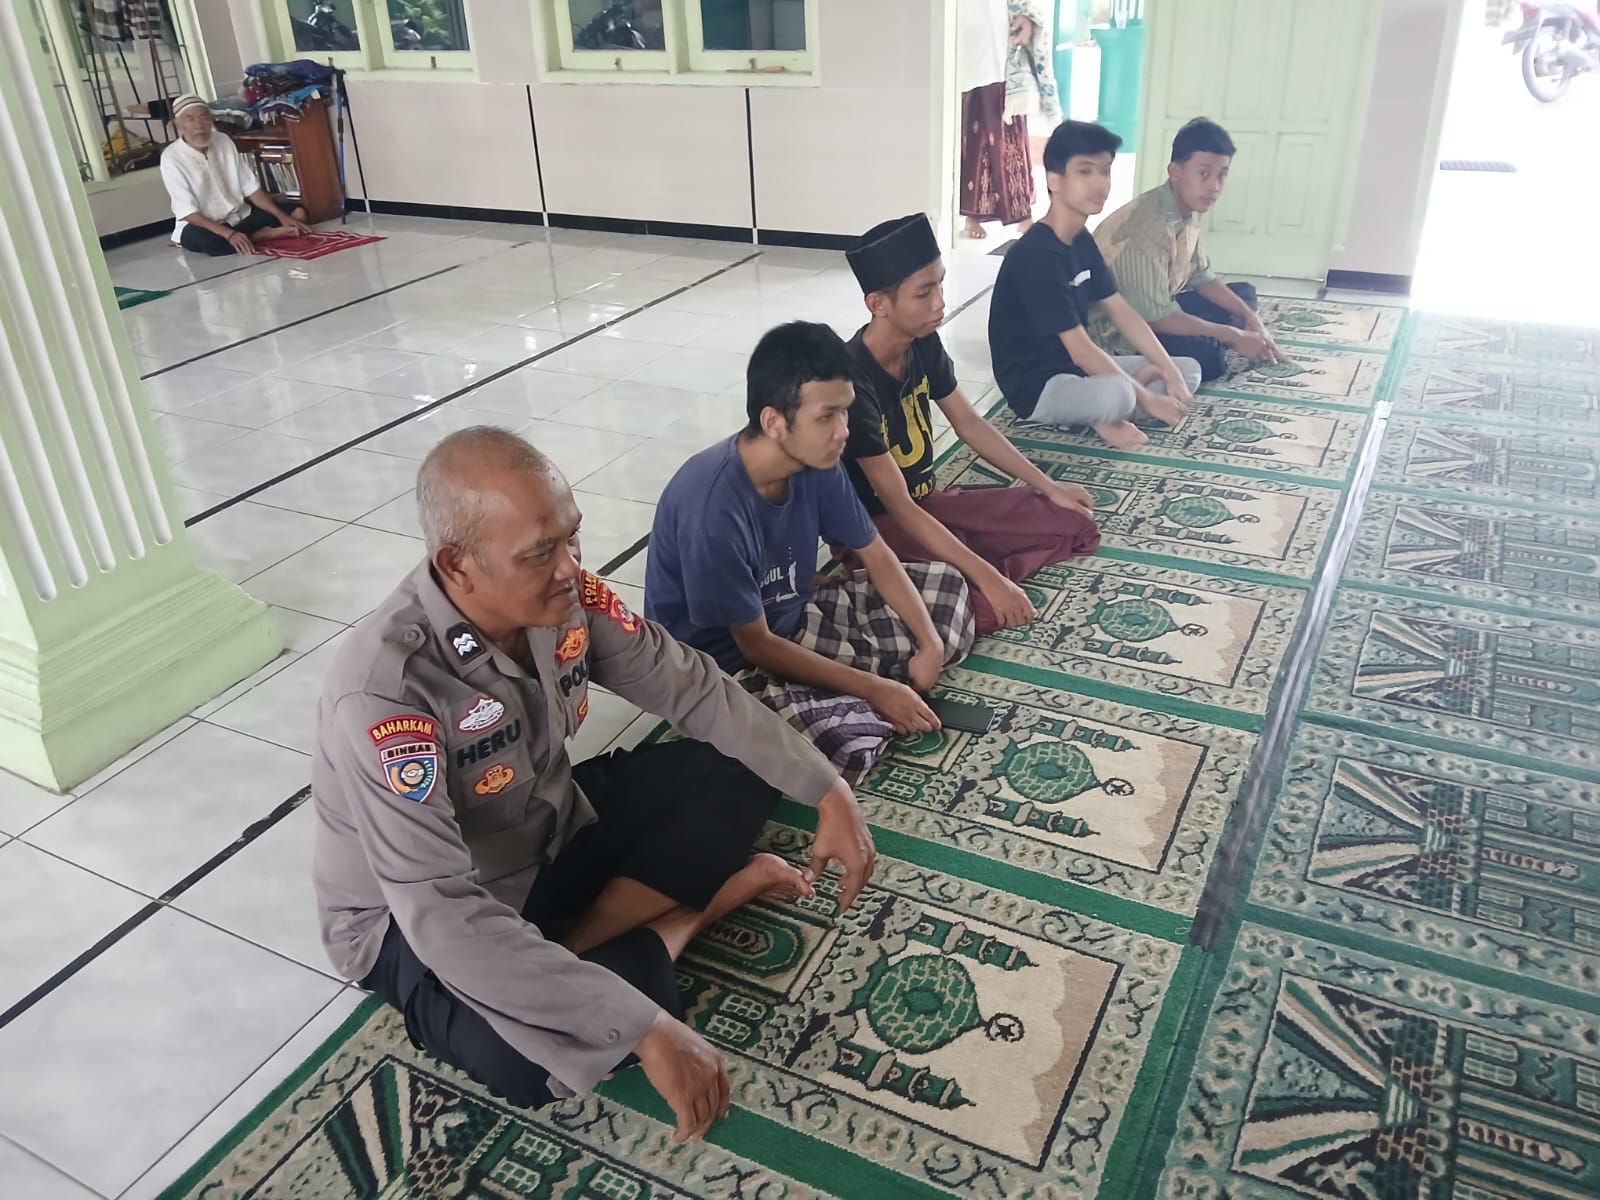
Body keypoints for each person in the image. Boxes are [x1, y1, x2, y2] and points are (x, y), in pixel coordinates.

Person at [311, 427, 879, 1145]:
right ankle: (692, 916)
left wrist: (829, 789)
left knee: (740, 767)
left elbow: (692, 688)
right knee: (525, 1064)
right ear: (458, 567)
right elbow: (439, 909)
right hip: (413, 915)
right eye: (540, 552)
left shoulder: (565, 597)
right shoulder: (388, 694)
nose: (570, 567)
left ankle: (575, 959)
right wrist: (642, 1027)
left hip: (545, 832)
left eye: (571, 539)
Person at [645, 321, 975, 778]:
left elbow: (876, 554)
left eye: (846, 412)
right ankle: (866, 696)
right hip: (725, 668)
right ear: (774, 421)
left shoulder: (818, 461)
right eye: (827, 416)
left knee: (947, 587)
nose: (843, 430)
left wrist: (930, 642)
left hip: (795, 617)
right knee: (844, 744)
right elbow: (756, 645)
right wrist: (877, 689)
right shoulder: (713, 508)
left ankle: (865, 690)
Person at [840, 213, 1100, 635]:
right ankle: (973, 566)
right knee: (975, 604)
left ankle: (972, 558)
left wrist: (1046, 485)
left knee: (1072, 521)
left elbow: (969, 424)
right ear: (878, 304)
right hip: (877, 532)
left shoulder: (922, 340)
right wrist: (990, 580)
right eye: (924, 292)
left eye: (940, 284)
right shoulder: (851, 381)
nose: (939, 302)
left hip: (930, 507)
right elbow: (900, 507)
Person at [987, 120, 1203, 452]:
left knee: (1187, 370)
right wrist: (1143, 393)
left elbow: (1122, 312)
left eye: (1105, 171)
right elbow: (1081, 350)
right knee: (1120, 392)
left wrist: (1168, 370)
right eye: (1085, 172)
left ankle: (1113, 406)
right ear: (1054, 180)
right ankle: (1109, 410)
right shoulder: (1036, 255)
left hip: (1080, 372)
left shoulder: (1081, 241)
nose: (1099, 183)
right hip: (1039, 387)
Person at [1090, 118, 1285, 381]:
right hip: (1120, 334)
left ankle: (1222, 337)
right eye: (1204, 174)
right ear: (1175, 171)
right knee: (1209, 360)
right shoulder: (1147, 227)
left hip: (1157, 307)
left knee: (1244, 297)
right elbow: (1155, 319)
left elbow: (1203, 278)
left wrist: (1252, 320)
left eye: (1222, 175)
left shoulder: (1185, 208)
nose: (1214, 186)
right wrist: (1232, 334)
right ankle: (1217, 344)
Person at [159, 93, 311, 256]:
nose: (199, 125)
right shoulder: (171, 158)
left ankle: (249, 236)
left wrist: (281, 216)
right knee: (206, 241)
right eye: (190, 119)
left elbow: (250, 188)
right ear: (178, 125)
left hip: (240, 216)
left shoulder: (223, 140)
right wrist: (229, 234)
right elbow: (188, 212)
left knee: (297, 213)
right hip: (206, 226)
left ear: (211, 120)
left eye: (204, 118)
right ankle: (258, 236)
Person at [958, 0, 1032, 239]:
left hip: (1004, 45)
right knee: (976, 137)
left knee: (1011, 134)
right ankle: (973, 216)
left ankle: (1022, 213)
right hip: (969, 43)